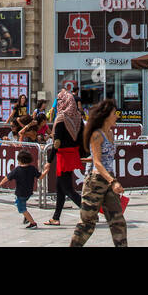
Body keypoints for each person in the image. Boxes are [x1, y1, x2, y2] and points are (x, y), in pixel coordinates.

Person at [69, 98, 127, 248]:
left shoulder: (110, 133)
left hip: (107, 179)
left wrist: (88, 160)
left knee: (118, 221)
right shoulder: (96, 134)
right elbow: (98, 163)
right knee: (87, 223)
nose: (117, 116)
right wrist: (113, 181)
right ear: (107, 115)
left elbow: (98, 158)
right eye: (115, 113)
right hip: (95, 181)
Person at [46, 86, 85, 226]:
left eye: (59, 101)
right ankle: (56, 217)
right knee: (60, 188)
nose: (58, 104)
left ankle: (89, 212)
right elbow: (81, 138)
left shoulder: (61, 118)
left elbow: (56, 142)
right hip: (72, 154)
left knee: (68, 189)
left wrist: (49, 160)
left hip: (63, 155)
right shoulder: (76, 117)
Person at [0, 149, 41, 229]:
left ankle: (32, 223)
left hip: (20, 193)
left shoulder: (17, 170)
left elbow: (7, 177)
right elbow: (40, 176)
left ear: (20, 160)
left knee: (21, 208)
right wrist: (46, 171)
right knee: (21, 203)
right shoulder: (32, 168)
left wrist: (1, 183)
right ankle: (26, 216)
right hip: (29, 192)